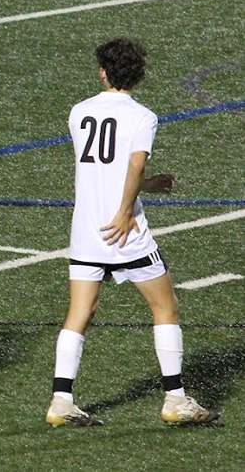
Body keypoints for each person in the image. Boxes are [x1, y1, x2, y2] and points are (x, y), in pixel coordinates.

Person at [46, 38, 218, 427]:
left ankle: (61, 399)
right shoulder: (143, 117)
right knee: (164, 306)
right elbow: (134, 166)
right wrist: (126, 211)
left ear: (102, 72)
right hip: (125, 234)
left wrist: (149, 186)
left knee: (80, 313)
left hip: (87, 232)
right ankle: (175, 398)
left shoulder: (79, 112)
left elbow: (105, 171)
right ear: (138, 75)